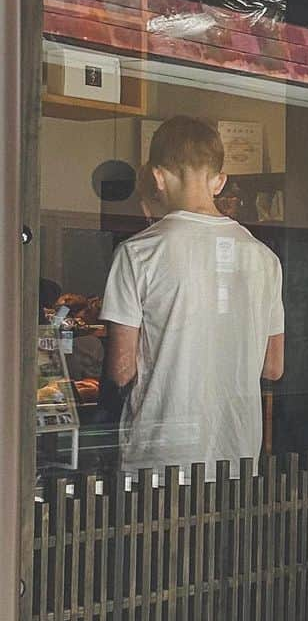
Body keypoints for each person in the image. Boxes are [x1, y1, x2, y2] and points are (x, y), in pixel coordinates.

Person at [99, 116, 285, 477]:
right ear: (219, 181)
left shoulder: (138, 253)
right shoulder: (264, 258)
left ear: (156, 176)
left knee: (156, 536)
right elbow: (273, 367)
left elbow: (121, 371)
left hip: (159, 460)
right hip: (237, 454)